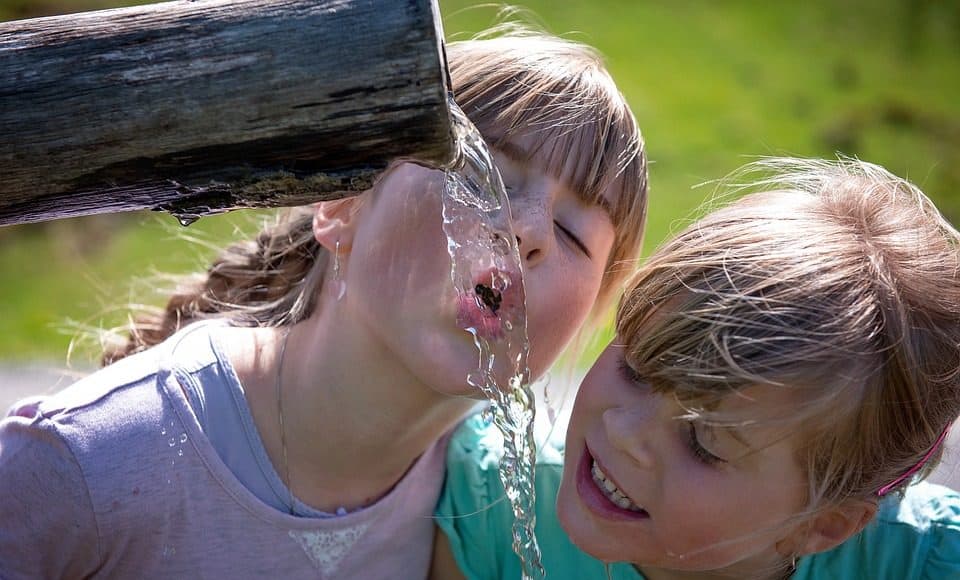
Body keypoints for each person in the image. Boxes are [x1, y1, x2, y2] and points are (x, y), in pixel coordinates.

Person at [0, 30, 648, 579]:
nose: (527, 231)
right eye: (486, 178)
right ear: (341, 206)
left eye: (573, 234)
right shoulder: (88, 464)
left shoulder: (494, 512)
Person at [433, 157, 960, 580]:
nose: (623, 430)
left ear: (823, 525)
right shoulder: (491, 510)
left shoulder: (923, 564)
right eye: (637, 369)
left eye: (701, 441)